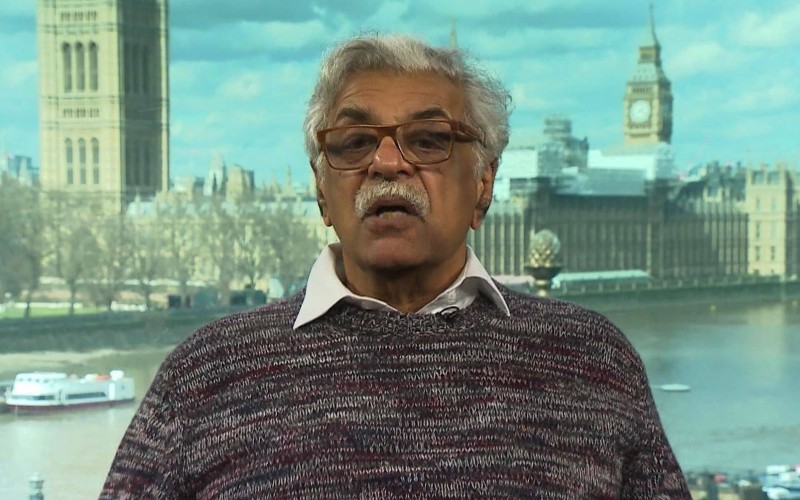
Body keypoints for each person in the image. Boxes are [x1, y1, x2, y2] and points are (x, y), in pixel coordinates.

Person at [101, 34, 691, 498]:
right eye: (355, 142)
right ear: (322, 190)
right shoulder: (205, 376)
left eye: (429, 140)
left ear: (484, 183)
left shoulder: (592, 361)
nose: (387, 162)